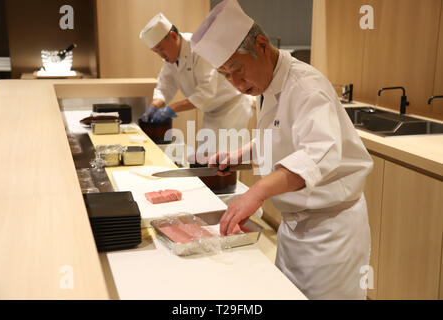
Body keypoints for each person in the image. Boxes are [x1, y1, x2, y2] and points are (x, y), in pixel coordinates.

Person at [191, 0, 373, 299]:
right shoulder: (268, 81)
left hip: (330, 232)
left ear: (261, 45)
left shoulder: (306, 87)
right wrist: (239, 155)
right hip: (294, 228)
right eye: (226, 75)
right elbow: (281, 137)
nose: (237, 84)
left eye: (238, 70)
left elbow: (317, 153)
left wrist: (258, 191)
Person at [139, 13, 253, 156]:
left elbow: (205, 93)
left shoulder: (199, 49)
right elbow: (165, 86)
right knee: (205, 159)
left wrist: (170, 109)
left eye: (161, 48)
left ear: (173, 36)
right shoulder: (170, 59)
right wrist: (153, 106)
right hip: (211, 112)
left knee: (226, 161)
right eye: (156, 52)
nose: (161, 55)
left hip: (231, 109)